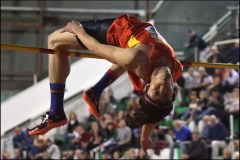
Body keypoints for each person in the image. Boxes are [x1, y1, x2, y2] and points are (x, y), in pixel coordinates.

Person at [27, 14, 183, 154]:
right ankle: (95, 91)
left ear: (147, 86)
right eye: (166, 93)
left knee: (54, 41)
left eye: (156, 92)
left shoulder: (137, 58)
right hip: (133, 42)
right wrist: (144, 137)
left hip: (117, 30)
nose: (163, 86)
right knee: (128, 59)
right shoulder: (176, 70)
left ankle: (56, 112)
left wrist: (79, 30)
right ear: (174, 92)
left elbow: (96, 49)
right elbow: (157, 111)